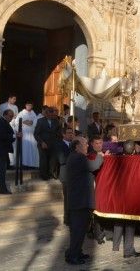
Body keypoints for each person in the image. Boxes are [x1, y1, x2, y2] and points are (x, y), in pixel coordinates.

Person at [65, 136, 104, 265]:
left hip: (79, 200)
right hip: (80, 201)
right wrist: (99, 155)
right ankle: (73, 256)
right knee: (78, 230)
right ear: (77, 146)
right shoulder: (78, 157)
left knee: (80, 230)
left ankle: (76, 252)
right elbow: (94, 166)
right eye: (85, 143)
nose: (88, 145)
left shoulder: (75, 157)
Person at [0, 109, 21, 194]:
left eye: (12, 116)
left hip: (2, 148)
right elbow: (2, 136)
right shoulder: (1, 123)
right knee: (2, 169)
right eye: (10, 116)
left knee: (3, 166)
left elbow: (6, 134)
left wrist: (14, 135)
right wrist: (15, 135)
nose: (11, 118)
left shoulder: (4, 122)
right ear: (5, 115)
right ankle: (2, 189)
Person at [34, 107, 62, 180]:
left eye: (52, 114)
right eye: (49, 114)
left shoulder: (56, 121)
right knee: (43, 160)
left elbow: (59, 133)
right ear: (46, 114)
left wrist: (57, 142)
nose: (51, 116)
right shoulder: (40, 121)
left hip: (53, 144)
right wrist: (42, 142)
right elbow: (36, 134)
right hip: (42, 144)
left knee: (52, 160)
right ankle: (43, 175)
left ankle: (51, 173)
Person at [13, 101, 39, 168]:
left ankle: (31, 164)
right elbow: (16, 122)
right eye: (28, 105)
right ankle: (23, 163)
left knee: (32, 147)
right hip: (24, 134)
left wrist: (31, 122)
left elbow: (35, 122)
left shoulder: (33, 114)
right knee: (24, 149)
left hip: (31, 134)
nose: (29, 106)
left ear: (32, 106)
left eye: (30, 105)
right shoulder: (21, 113)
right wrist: (24, 122)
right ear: (26, 105)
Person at [57, 127, 74, 225]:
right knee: (67, 199)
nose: (71, 134)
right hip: (66, 175)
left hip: (74, 174)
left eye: (72, 133)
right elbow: (61, 160)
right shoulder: (60, 144)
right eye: (68, 133)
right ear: (63, 134)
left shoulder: (73, 144)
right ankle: (67, 219)